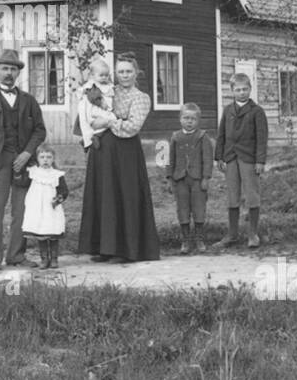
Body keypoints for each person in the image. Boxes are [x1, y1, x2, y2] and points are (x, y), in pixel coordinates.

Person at [78, 52, 161, 263]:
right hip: (103, 151)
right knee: (105, 196)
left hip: (125, 153)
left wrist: (107, 121)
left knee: (126, 196)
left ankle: (128, 250)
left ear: (136, 73)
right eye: (121, 71)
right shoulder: (106, 90)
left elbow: (132, 127)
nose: (124, 75)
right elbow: (87, 107)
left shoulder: (141, 98)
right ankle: (105, 248)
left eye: (128, 71)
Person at [0, 49, 47, 271]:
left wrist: (27, 153)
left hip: (24, 164)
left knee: (22, 211)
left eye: (13, 69)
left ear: (18, 73)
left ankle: (16, 255)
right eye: (4, 68)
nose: (9, 73)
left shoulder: (29, 101)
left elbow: (39, 130)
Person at [214, 72, 269, 248]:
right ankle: (232, 234)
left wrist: (260, 161)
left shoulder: (257, 112)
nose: (242, 92)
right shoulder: (228, 110)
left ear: (250, 89)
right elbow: (221, 134)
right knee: (232, 195)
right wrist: (219, 156)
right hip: (230, 157)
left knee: (252, 194)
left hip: (249, 158)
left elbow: (262, 138)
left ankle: (252, 234)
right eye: (238, 89)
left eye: (245, 89)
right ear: (232, 91)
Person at [166, 102, 215, 255]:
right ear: (180, 119)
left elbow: (207, 159)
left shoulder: (202, 136)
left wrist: (206, 177)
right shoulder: (175, 137)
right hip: (180, 179)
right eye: (186, 118)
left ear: (198, 120)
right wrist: (169, 178)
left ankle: (199, 238)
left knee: (199, 207)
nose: (189, 121)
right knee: (183, 208)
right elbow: (170, 159)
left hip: (198, 179)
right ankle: (185, 240)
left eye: (193, 119)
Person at [23, 146, 70, 269]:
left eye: (49, 157)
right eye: (42, 157)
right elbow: (24, 184)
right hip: (37, 208)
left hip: (51, 208)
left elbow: (64, 191)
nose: (45, 160)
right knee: (41, 232)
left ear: (53, 159)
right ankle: (44, 259)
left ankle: (54, 259)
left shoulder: (57, 175)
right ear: (37, 159)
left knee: (52, 231)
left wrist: (58, 199)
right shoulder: (33, 172)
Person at [74, 56, 115, 152]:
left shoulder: (106, 85)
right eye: (101, 75)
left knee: (107, 122)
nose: (104, 77)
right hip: (96, 108)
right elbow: (92, 96)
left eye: (106, 75)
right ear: (93, 75)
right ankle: (91, 138)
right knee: (108, 120)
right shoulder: (92, 85)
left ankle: (90, 139)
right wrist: (101, 102)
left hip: (102, 109)